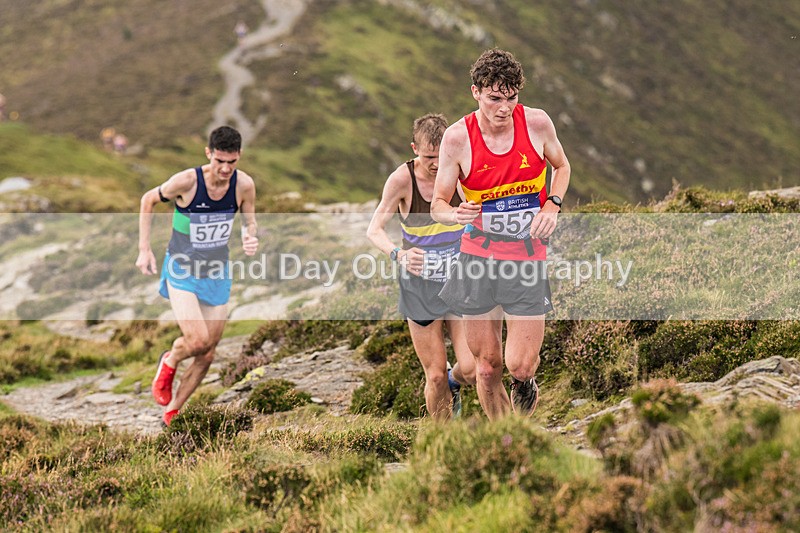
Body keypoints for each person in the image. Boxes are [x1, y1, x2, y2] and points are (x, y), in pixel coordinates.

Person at [431, 49, 570, 420]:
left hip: (525, 255)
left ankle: (525, 384)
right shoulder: (457, 138)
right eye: (494, 98)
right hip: (477, 255)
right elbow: (437, 204)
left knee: (520, 366)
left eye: (511, 98)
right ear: (475, 92)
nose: (504, 108)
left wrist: (552, 205)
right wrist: (454, 213)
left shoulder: (538, 124)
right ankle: (510, 440)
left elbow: (562, 165)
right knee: (487, 367)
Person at [135, 126, 258, 426]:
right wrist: (144, 250)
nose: (226, 168)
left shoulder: (244, 185)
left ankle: (172, 412)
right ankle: (171, 360)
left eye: (232, 162)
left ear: (239, 156)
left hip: (217, 272)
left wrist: (249, 236)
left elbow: (250, 221)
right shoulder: (187, 181)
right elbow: (147, 200)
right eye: (220, 161)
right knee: (198, 339)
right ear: (208, 154)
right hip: (182, 269)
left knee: (208, 352)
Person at [367, 113, 476, 421]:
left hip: (456, 280)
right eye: (429, 156)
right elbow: (374, 230)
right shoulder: (402, 180)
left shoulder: (458, 172)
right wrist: (397, 255)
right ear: (414, 148)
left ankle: (456, 384)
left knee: (469, 368)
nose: (436, 164)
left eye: (441, 156)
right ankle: (442, 441)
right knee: (436, 375)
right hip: (418, 286)